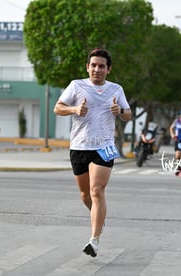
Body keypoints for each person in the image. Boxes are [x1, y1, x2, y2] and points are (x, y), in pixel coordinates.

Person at [54, 48, 131, 258]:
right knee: (85, 195)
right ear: (88, 67)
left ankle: (94, 240)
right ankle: (99, 217)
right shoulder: (76, 85)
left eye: (102, 66)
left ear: (108, 69)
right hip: (79, 146)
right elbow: (58, 108)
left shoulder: (116, 89)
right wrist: (74, 109)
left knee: (97, 191)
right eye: (94, 65)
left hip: (104, 146)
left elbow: (128, 114)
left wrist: (120, 112)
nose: (97, 69)